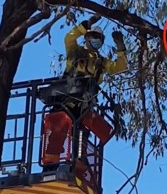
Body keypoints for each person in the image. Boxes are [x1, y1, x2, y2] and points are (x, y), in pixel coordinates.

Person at [42, 14, 128, 167]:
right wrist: (86, 24)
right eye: (94, 36)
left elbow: (120, 67)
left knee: (82, 136)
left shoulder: (101, 62)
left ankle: (78, 166)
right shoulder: (75, 51)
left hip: (84, 105)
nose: (97, 40)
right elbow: (69, 38)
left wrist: (120, 47)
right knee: (57, 133)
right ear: (87, 37)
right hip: (65, 101)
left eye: (100, 38)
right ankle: (50, 168)